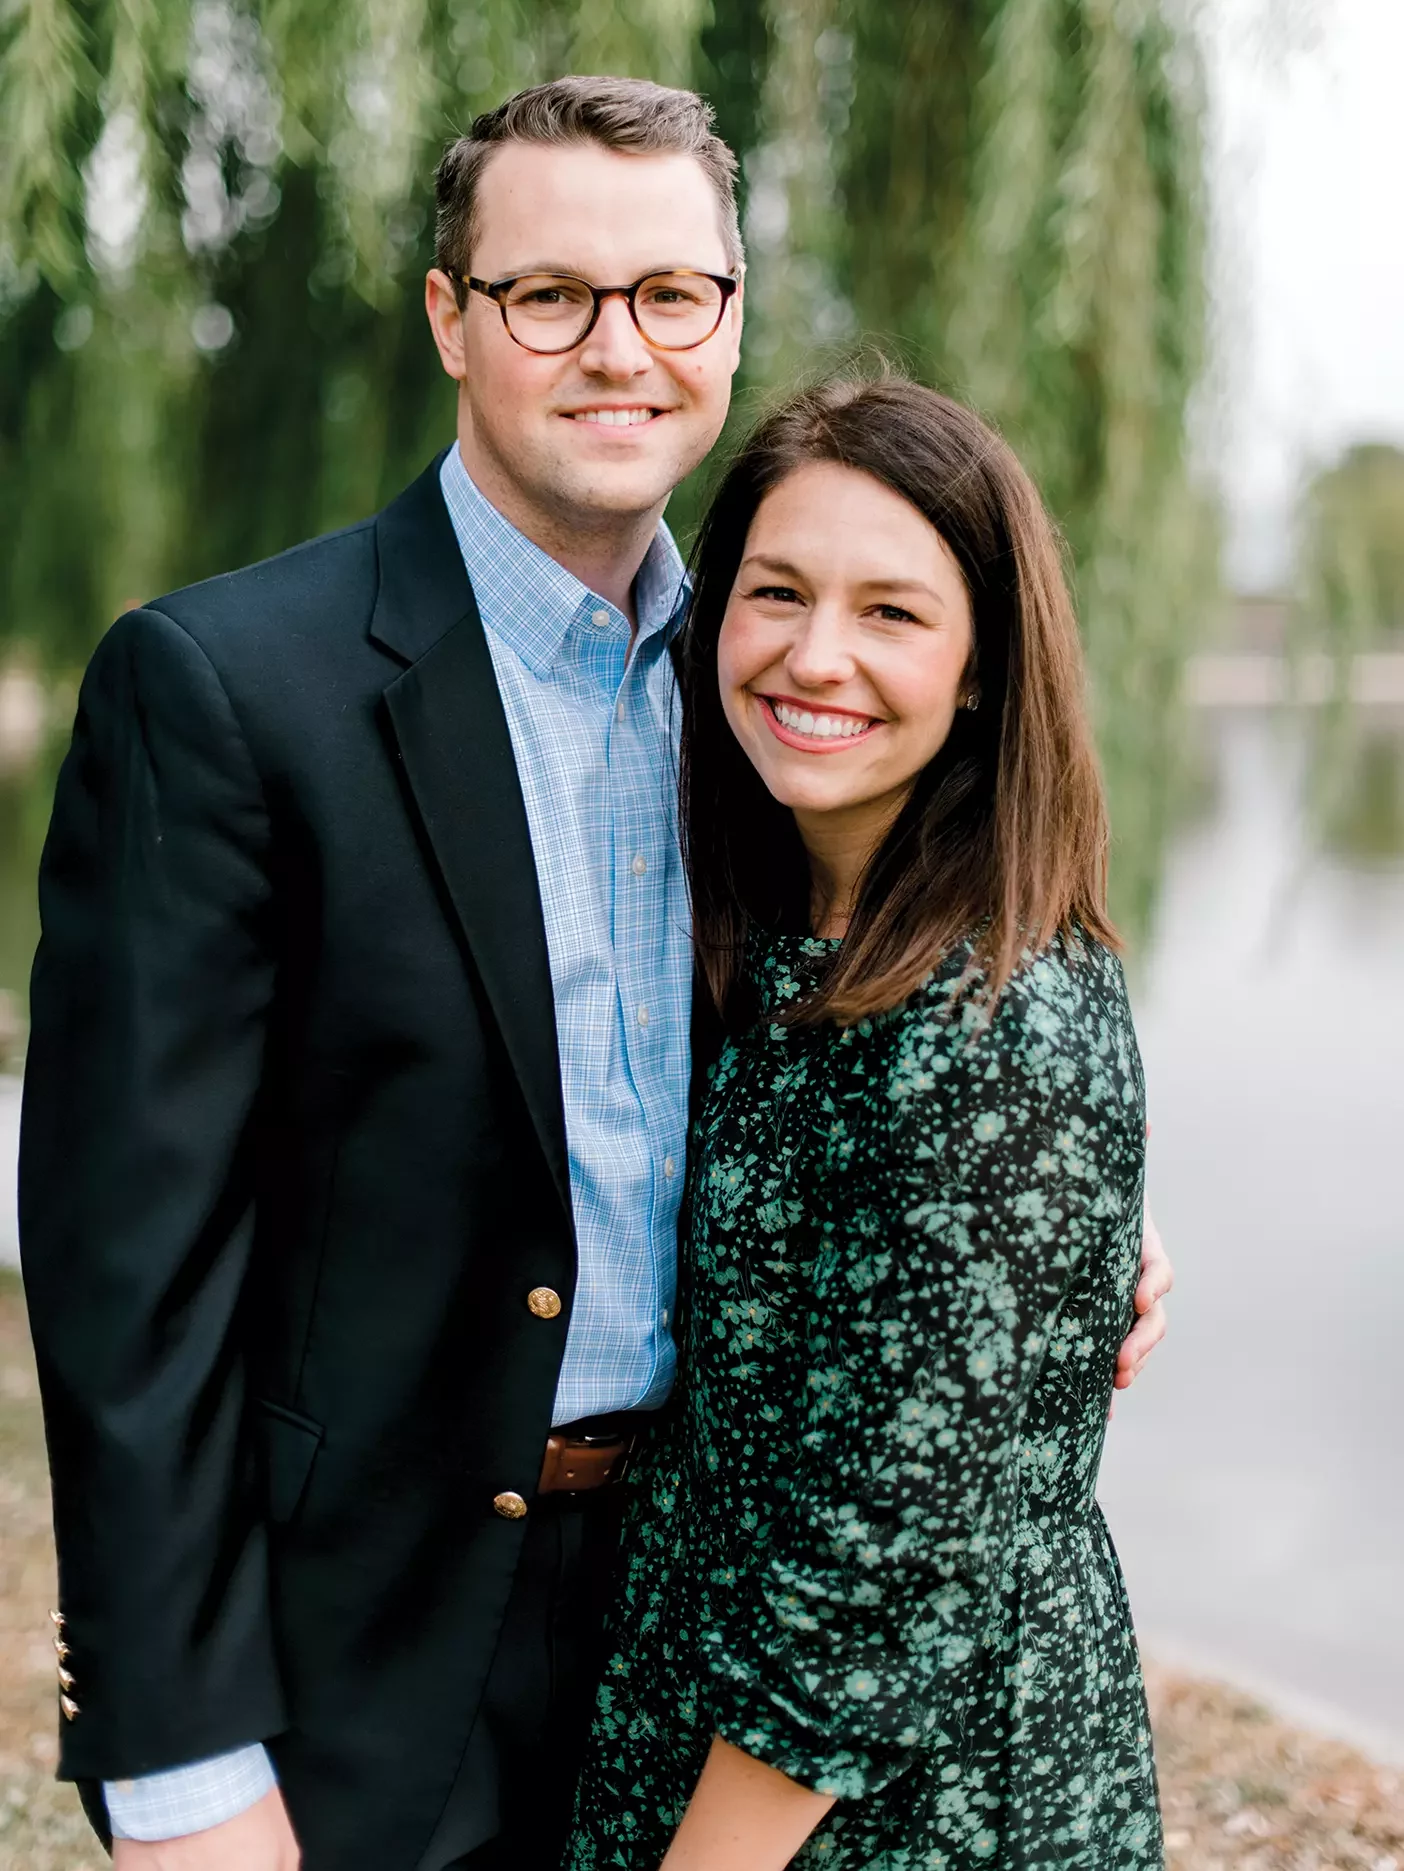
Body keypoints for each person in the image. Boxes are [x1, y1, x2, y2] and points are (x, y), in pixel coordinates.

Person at [18, 77, 1171, 1871]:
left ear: (729, 315)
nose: (615, 348)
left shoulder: (776, 693)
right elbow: (127, 1276)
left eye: (671, 295)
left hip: (711, 1627)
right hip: (374, 1634)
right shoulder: (228, 691)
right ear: (450, 322)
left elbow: (894, 1079)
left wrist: (1045, 1242)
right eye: (548, 294)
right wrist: (177, 1760)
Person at [564, 376, 1164, 1870]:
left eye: (892, 611)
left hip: (898, 1805)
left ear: (981, 669)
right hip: (711, 1732)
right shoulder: (767, 934)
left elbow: (881, 1569)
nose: (814, 655)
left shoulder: (995, 1019)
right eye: (775, 591)